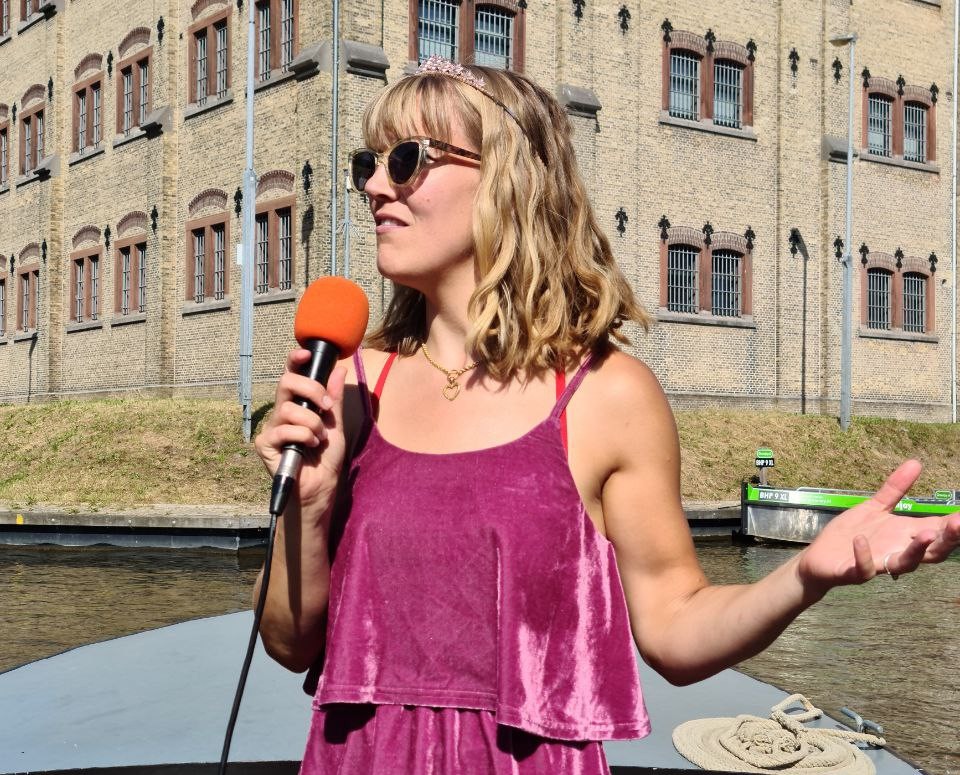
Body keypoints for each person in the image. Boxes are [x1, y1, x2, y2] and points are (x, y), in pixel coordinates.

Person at [253, 56, 960, 774]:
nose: (376, 186)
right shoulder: (350, 385)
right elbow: (288, 643)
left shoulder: (607, 395)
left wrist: (805, 575)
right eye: (369, 163)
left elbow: (675, 628)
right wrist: (306, 509)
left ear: (508, 179)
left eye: (408, 160)